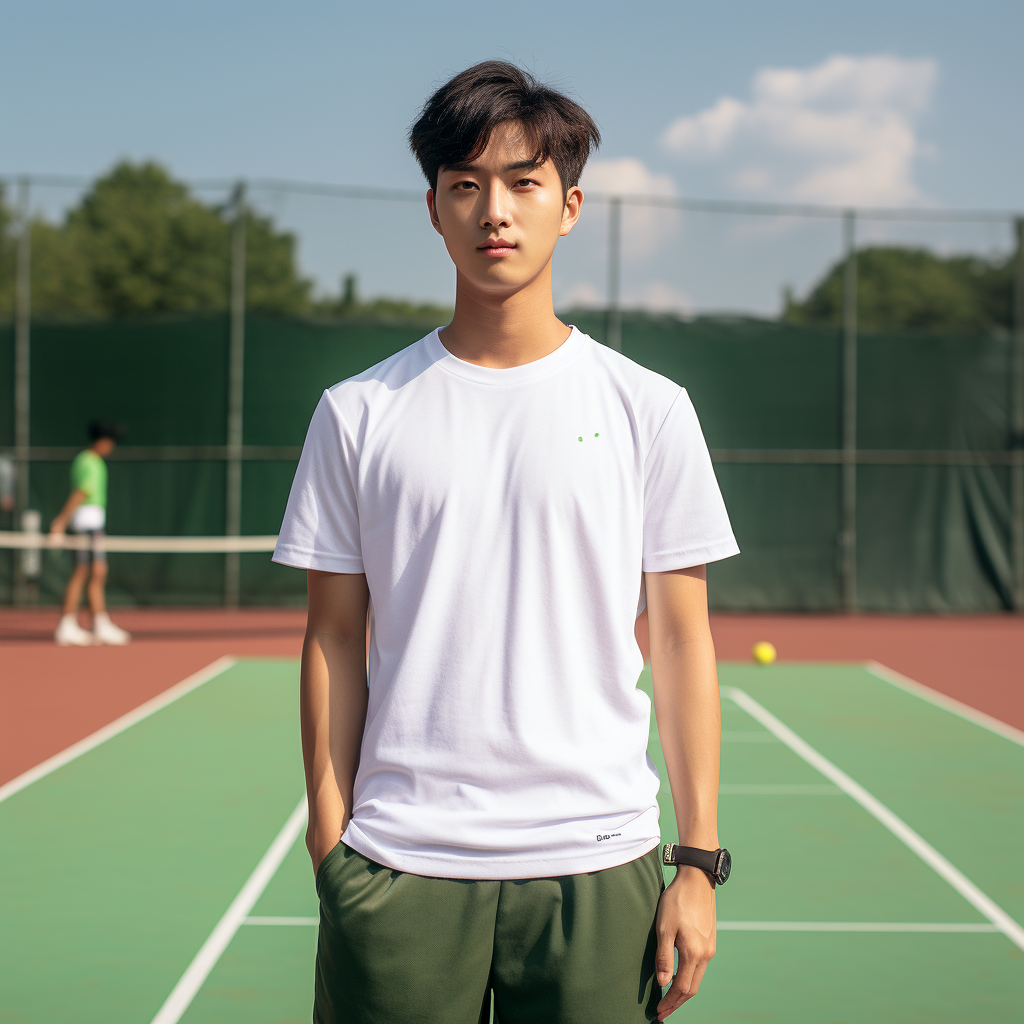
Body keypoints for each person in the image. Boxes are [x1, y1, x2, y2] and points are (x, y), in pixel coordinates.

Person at [274, 61, 738, 1024]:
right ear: (434, 210)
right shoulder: (356, 413)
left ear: (569, 206)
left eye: (524, 182)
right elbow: (331, 639)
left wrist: (695, 862)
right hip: (401, 865)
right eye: (466, 185)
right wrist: (334, 854)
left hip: (599, 865)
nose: (496, 210)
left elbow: (685, 640)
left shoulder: (649, 409)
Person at [50, 420, 131, 646]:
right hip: (86, 525)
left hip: (94, 525)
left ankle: (99, 623)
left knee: (97, 571)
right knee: (83, 571)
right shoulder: (87, 461)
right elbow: (81, 491)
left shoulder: (93, 461)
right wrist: (61, 522)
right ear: (103, 441)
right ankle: (67, 625)